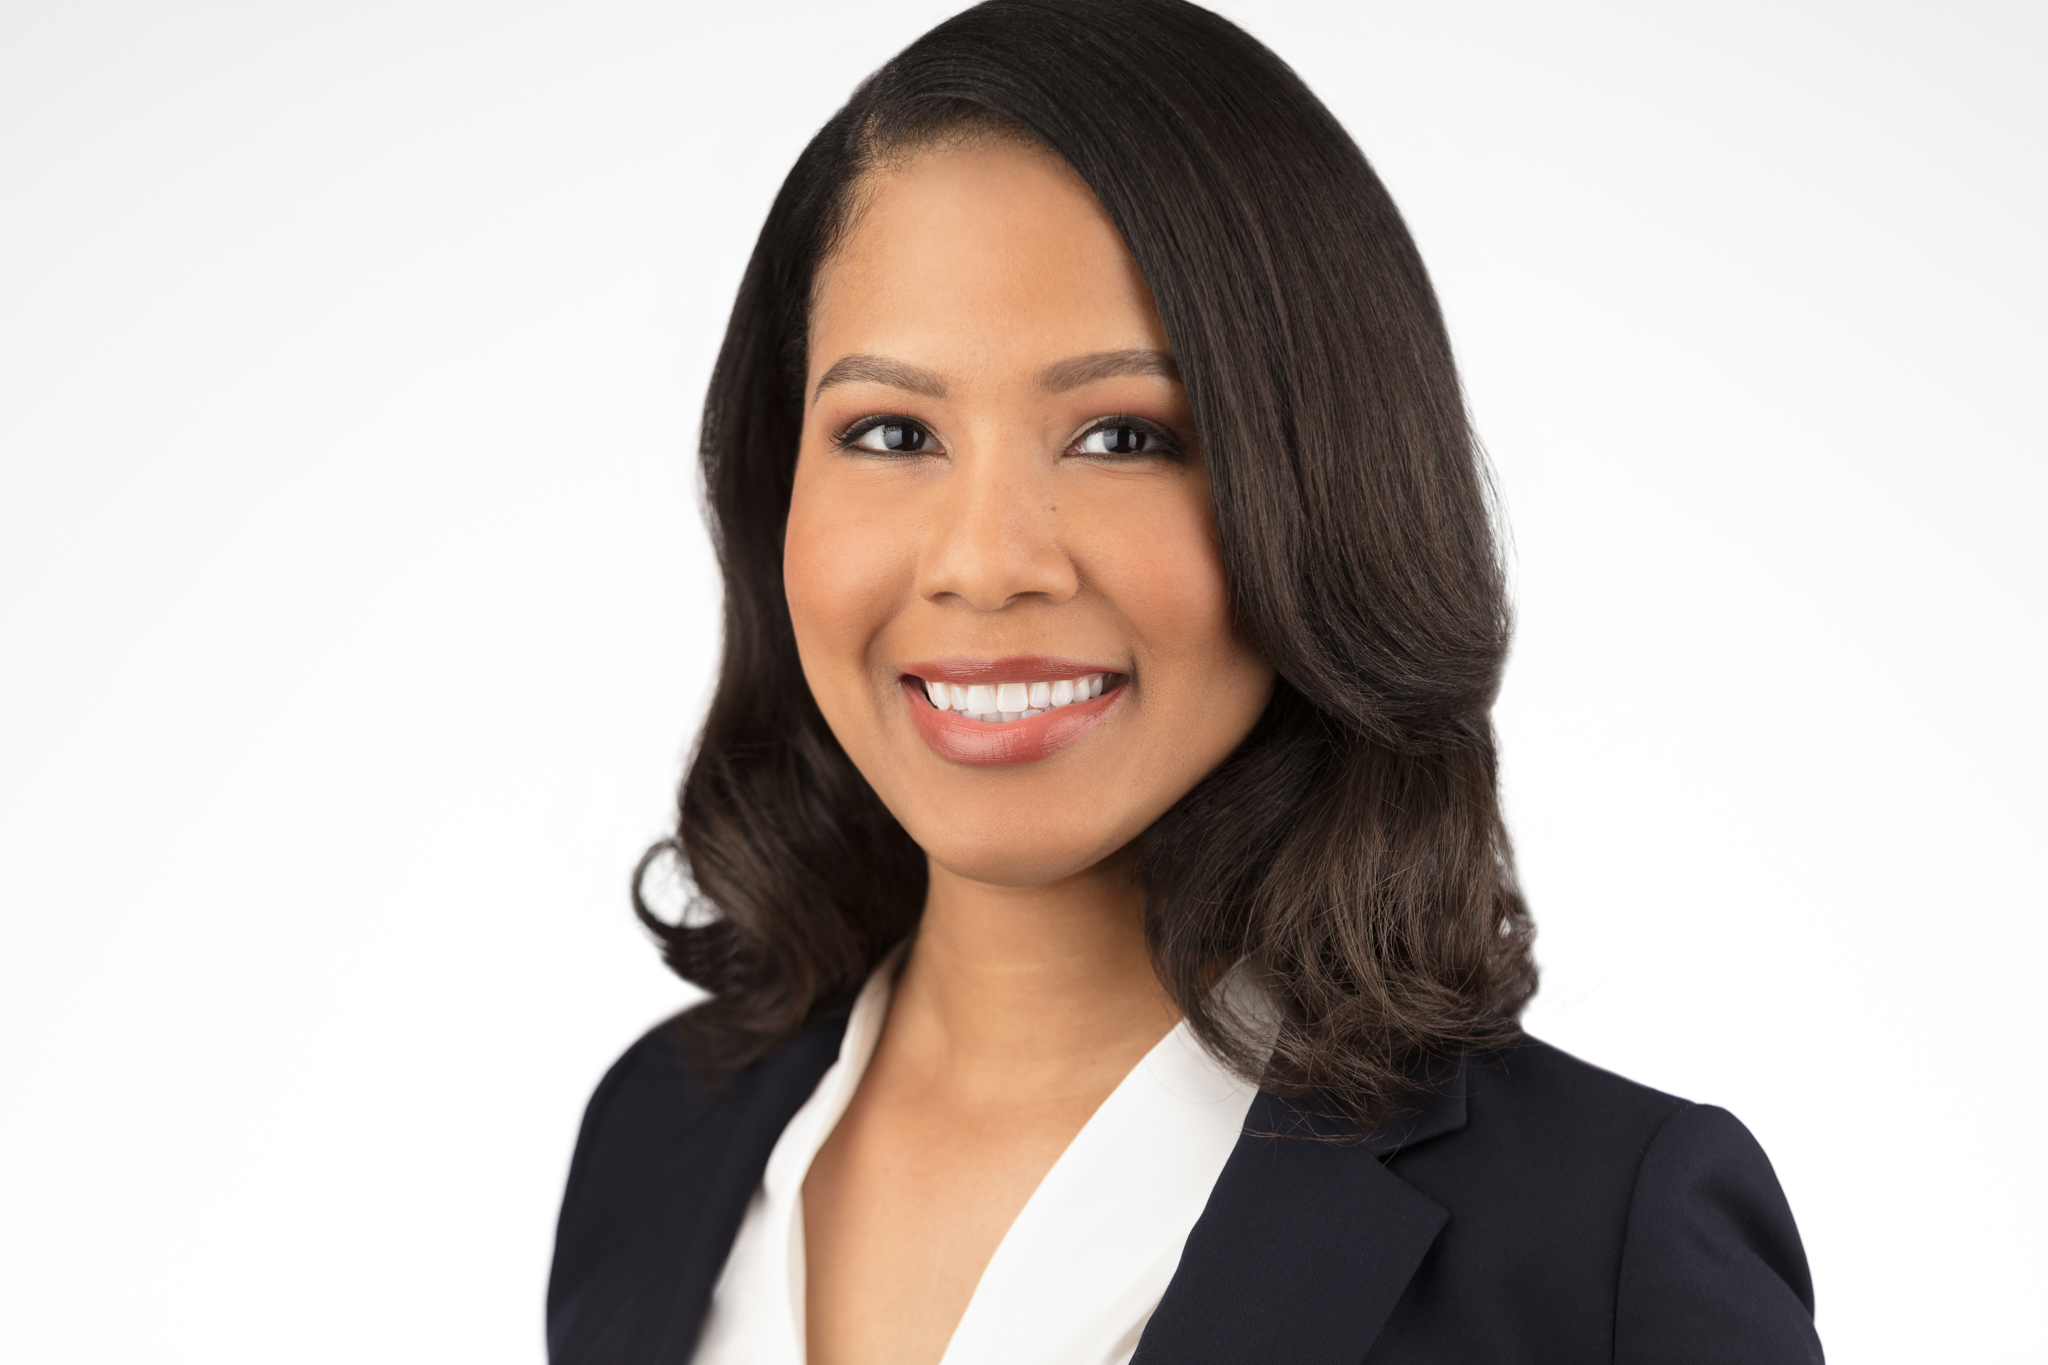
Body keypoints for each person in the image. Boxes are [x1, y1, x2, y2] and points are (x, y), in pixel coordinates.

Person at [546, 2, 1822, 1361]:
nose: (986, 563)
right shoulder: (657, 1138)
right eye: (893, 432)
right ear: (775, 487)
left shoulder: (1601, 1249)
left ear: (1323, 490)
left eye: (1122, 435)